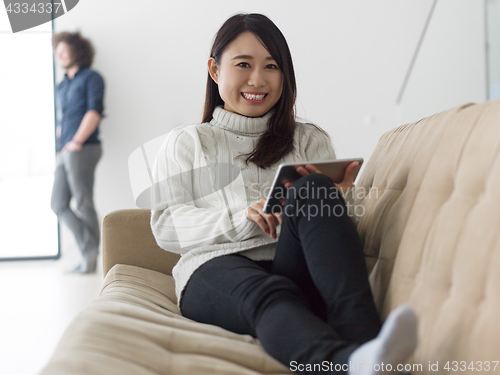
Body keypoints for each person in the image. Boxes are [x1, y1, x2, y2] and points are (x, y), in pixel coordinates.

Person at [151, 14, 418, 374]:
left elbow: (341, 239)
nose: (258, 80)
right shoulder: (188, 143)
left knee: (314, 187)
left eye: (272, 66)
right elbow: (167, 226)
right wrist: (243, 218)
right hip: (214, 268)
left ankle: (368, 347)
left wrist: (337, 202)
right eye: (243, 64)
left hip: (293, 266)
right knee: (270, 295)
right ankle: (344, 364)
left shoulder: (309, 140)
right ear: (215, 70)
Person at [50, 31, 104, 274]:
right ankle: (89, 249)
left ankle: (89, 257)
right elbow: (63, 120)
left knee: (83, 201)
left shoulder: (91, 77)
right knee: (58, 203)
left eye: (63, 50)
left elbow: (94, 111)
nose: (59, 55)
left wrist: (77, 141)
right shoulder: (62, 84)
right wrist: (60, 148)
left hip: (84, 147)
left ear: (76, 51)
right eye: (57, 51)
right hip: (66, 150)